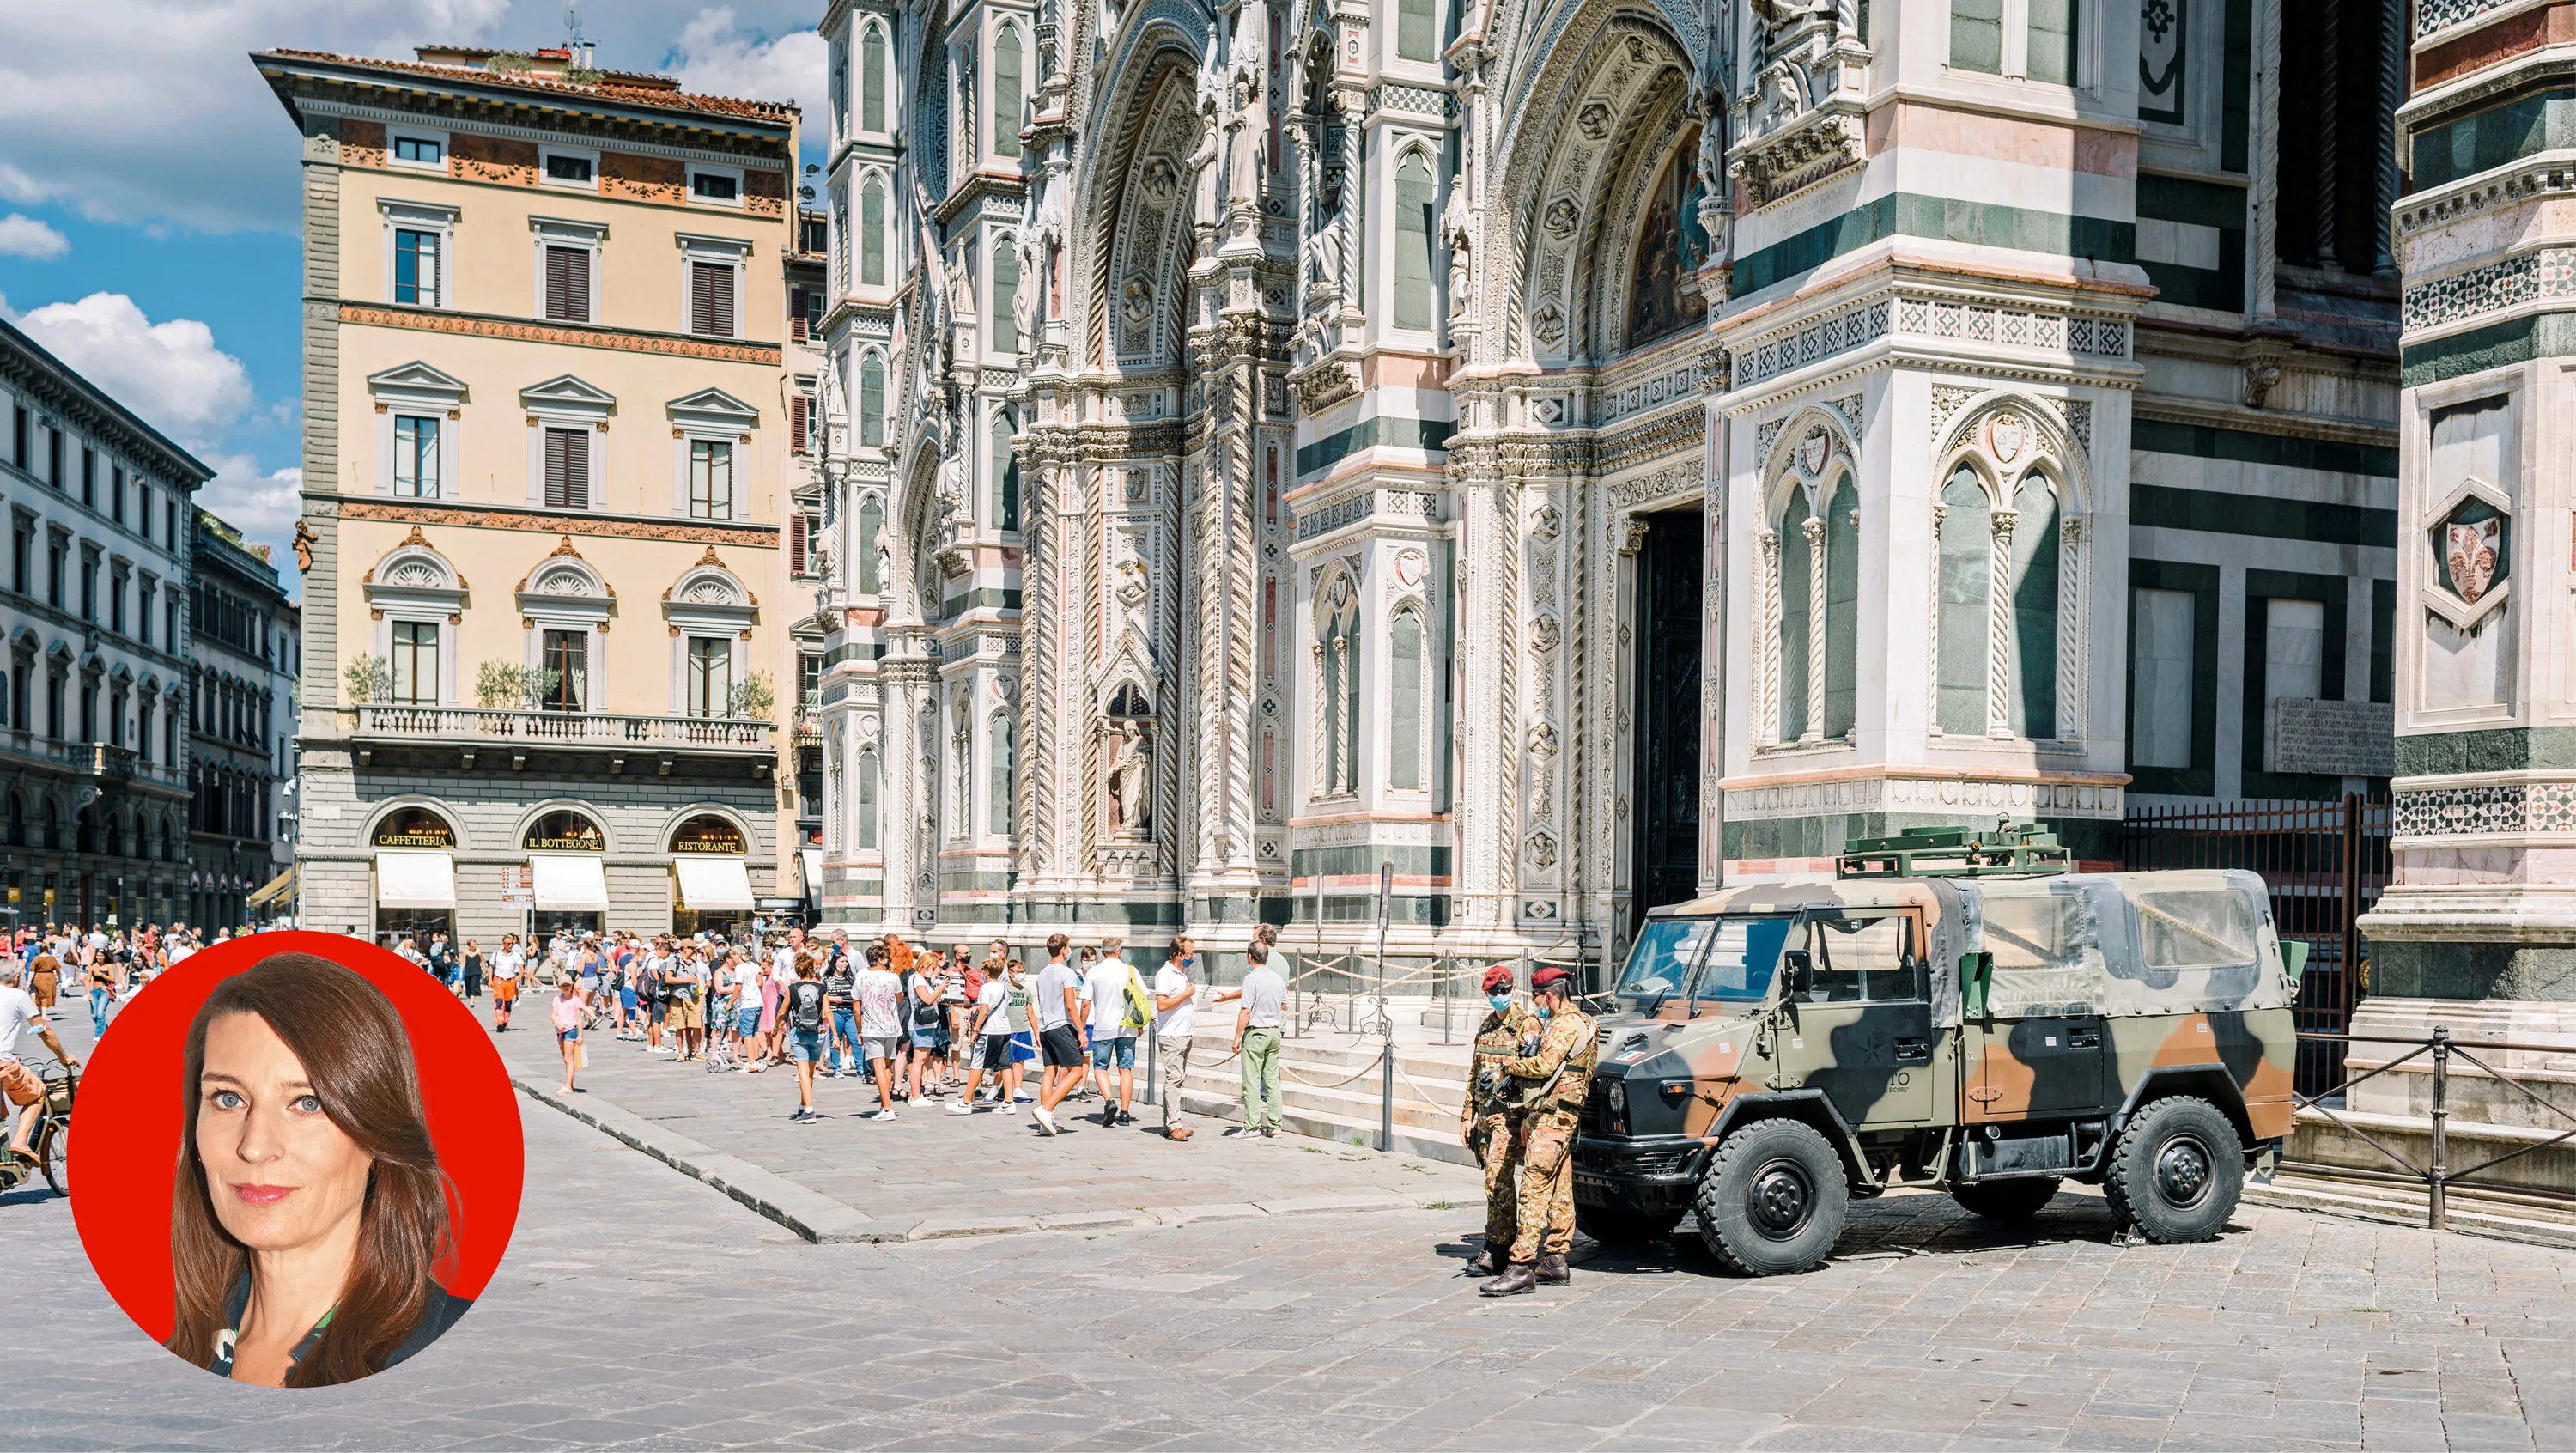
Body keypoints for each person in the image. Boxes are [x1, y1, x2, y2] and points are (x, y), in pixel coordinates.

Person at [165, 953, 474, 1384]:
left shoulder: (458, 1355)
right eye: (228, 1098)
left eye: (308, 1103)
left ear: (375, 1136)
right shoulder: (178, 1356)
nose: (255, 1147)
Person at [1479, 966, 1599, 1297]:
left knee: (1534, 1188)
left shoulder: (1566, 1024)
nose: (1534, 1002)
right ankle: (1556, 1260)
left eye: (1537, 996)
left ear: (1550, 994)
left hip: (1555, 1119)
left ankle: (1521, 1267)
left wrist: (1507, 1067)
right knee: (1560, 1187)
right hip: (1555, 1117)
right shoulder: (1578, 1022)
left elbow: (1545, 1067)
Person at [1462, 965, 1534, 1276]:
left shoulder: (1526, 1025)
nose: (1500, 997)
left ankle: (1498, 1247)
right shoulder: (1488, 1025)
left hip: (1510, 1118)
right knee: (1495, 1182)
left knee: (1496, 1180)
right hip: (1486, 1118)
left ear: (1514, 989)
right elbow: (1474, 1074)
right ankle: (1501, 1244)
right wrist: (1467, 1114)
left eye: (1505, 991)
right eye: (1494, 993)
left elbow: (1535, 1072)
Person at [1, 960, 76, 1165]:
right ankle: (21, 1142)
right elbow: (45, 1032)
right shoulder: (18, 996)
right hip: (2, 1065)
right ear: (16, 979)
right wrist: (63, 1057)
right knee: (37, 1093)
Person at [1080, 936, 1145, 1127]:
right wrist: (1140, 1025)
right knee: (1125, 1069)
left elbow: (1085, 1003)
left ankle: (1109, 1101)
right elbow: (1140, 999)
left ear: (1102, 953)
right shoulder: (1130, 971)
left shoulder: (1094, 972)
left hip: (1103, 1027)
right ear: (1120, 951)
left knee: (1100, 1067)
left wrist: (1081, 1028)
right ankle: (1125, 1113)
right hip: (1127, 1027)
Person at [1030, 933, 1085, 1135]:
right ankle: (1046, 1109)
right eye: (1069, 947)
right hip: (1061, 1024)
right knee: (1077, 1070)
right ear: (1063, 950)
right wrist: (1081, 1031)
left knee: (1049, 1072)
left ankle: (1046, 1122)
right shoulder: (1067, 973)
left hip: (1046, 1026)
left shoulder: (1043, 973)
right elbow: (1071, 1005)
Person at [1230, 942, 1286, 1139]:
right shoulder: (1277, 978)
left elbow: (1245, 1010)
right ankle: (1275, 1125)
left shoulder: (1251, 979)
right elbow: (1285, 1005)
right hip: (1274, 1032)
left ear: (1250, 957)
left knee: (1252, 1081)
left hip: (1256, 1033)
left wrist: (1237, 1036)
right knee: (1272, 1081)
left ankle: (1252, 1127)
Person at [952, 954, 1015, 1115]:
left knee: (977, 1065)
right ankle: (1009, 1101)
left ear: (987, 972)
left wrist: (976, 1031)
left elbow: (986, 1009)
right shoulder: (1003, 988)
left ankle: (966, 1102)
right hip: (1004, 1029)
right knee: (1005, 1066)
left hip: (989, 1031)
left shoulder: (986, 988)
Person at [1151, 937, 1200, 1140]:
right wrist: (1187, 994)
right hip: (1172, 1035)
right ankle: (1174, 1125)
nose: (1192, 957)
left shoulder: (1180, 974)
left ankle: (1170, 1123)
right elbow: (1162, 1004)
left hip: (1184, 1033)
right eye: (1190, 954)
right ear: (1178, 954)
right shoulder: (1165, 974)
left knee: (1177, 1079)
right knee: (1174, 1079)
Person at [854, 942, 903, 1120]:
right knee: (887, 1065)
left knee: (878, 1067)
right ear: (881, 959)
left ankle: (888, 1108)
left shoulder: (861, 976)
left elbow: (856, 1007)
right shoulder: (893, 977)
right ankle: (885, 1104)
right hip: (891, 1027)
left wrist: (859, 1029)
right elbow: (900, 998)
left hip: (872, 1027)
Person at [783, 957, 829, 1124]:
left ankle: (809, 1111)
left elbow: (783, 1009)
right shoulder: (822, 987)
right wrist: (836, 1037)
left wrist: (776, 1024)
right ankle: (804, 1105)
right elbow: (828, 1011)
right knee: (809, 1072)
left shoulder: (793, 988)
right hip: (818, 1032)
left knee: (802, 1072)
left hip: (800, 1032)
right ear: (812, 969)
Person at [821, 933, 860, 1079]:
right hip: (835, 1012)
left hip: (849, 1011)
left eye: (846, 962)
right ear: (835, 962)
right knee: (835, 1040)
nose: (845, 964)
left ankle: (860, 1068)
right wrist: (833, 998)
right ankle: (837, 1068)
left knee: (855, 1040)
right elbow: (822, 996)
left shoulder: (851, 978)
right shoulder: (827, 978)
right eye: (842, 961)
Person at [551, 976, 586, 1094]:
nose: (566, 987)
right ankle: (570, 1085)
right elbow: (553, 1014)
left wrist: (580, 1035)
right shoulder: (557, 999)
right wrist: (557, 1022)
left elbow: (579, 1018)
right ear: (559, 986)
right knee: (566, 1059)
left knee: (568, 1058)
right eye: (563, 985)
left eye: (568, 985)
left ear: (572, 985)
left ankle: (567, 1086)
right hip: (560, 1031)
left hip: (571, 1030)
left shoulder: (576, 1000)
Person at [489, 935, 523, 1032]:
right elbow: (491, 967)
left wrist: (519, 977)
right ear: (503, 944)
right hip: (499, 980)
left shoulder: (515, 955)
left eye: (512, 943)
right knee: (499, 1001)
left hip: (510, 981)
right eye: (508, 944)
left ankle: (505, 1023)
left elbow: (521, 968)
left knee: (508, 1003)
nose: (510, 945)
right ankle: (499, 1023)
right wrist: (490, 980)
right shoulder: (496, 954)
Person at [86, 948, 118, 1036]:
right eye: (98, 955)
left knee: (100, 1013)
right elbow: (87, 981)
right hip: (94, 991)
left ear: (105, 956)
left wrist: (101, 974)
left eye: (101, 955)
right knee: (94, 1015)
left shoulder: (109, 966)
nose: (99, 957)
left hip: (104, 991)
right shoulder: (92, 967)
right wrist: (88, 993)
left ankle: (99, 1035)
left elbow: (112, 979)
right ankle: (104, 1027)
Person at [459, 939, 484, 1005]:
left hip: (476, 971)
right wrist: (461, 971)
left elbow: (482, 960)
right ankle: (470, 997)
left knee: (473, 986)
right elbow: (463, 962)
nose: (474, 946)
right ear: (469, 945)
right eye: (472, 945)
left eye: (474, 944)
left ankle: (472, 1001)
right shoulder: (465, 952)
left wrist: (484, 969)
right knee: (469, 987)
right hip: (468, 971)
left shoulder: (478, 951)